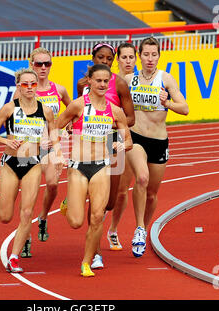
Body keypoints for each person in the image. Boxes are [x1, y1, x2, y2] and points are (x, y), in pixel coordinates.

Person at [56, 64, 132, 277]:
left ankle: (87, 262)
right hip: (78, 167)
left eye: (105, 81)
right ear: (89, 80)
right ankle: (68, 203)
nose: (102, 84)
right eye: (98, 80)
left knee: (98, 216)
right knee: (76, 222)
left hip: (102, 166)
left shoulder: (114, 111)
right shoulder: (78, 106)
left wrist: (120, 144)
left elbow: (128, 140)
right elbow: (54, 127)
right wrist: (59, 153)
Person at [0, 68, 62, 273]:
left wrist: (57, 153)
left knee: (27, 212)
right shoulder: (9, 108)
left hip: (33, 163)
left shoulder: (45, 110)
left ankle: (14, 257)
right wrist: (7, 140)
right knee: (5, 216)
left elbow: (53, 134)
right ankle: (17, 245)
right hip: (11, 162)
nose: (29, 88)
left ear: (37, 86)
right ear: (18, 86)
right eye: (25, 84)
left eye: (33, 84)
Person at [118, 36, 189, 258]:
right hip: (136, 137)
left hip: (159, 141)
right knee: (141, 178)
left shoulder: (166, 79)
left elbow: (185, 108)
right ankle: (139, 228)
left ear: (159, 56)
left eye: (154, 54)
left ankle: (144, 227)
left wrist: (167, 102)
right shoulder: (129, 80)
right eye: (146, 54)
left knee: (152, 194)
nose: (150, 59)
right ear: (140, 56)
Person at [14, 47, 71, 258]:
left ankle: (44, 217)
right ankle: (26, 236)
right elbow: (13, 117)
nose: (43, 68)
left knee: (53, 184)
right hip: (28, 147)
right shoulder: (23, 90)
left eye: (47, 63)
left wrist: (70, 125)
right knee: (29, 194)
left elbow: (73, 109)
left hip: (51, 145)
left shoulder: (59, 89)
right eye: (39, 64)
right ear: (31, 65)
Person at [106, 42, 138, 250]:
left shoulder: (143, 80)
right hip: (110, 135)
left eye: (131, 57)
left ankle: (113, 230)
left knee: (121, 190)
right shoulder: (109, 81)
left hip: (134, 137)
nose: (128, 61)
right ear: (117, 59)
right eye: (124, 57)